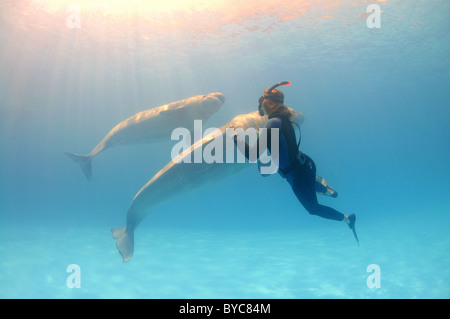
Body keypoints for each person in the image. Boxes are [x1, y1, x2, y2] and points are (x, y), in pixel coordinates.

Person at [233, 82, 359, 245]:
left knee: (313, 209)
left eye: (262, 103)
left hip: (298, 175)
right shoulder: (283, 119)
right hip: (305, 165)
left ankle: (348, 220)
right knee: (308, 185)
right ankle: (328, 191)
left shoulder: (272, 123)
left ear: (267, 104)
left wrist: (235, 136)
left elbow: (252, 155)